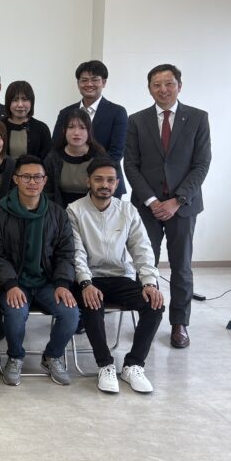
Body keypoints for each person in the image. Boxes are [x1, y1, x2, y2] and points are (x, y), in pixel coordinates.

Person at [124, 63, 211, 349]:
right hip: (147, 206)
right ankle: (147, 317)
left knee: (181, 266)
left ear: (179, 86)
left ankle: (179, 324)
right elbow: (130, 165)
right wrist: (152, 201)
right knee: (144, 263)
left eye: (169, 83)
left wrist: (177, 200)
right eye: (156, 85)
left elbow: (201, 164)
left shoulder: (197, 118)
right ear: (149, 89)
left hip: (183, 207)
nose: (163, 89)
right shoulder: (137, 121)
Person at [67, 158, 165, 394]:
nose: (105, 185)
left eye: (110, 180)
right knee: (92, 304)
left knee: (155, 304)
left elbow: (142, 249)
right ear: (88, 181)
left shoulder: (127, 210)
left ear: (117, 183)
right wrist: (86, 283)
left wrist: (149, 283)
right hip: (89, 278)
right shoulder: (74, 210)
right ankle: (105, 365)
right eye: (99, 179)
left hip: (121, 277)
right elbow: (76, 252)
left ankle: (134, 365)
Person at [0, 155, 78, 387]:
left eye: (37, 177)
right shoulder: (0, 212)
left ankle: (52, 356)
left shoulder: (57, 213)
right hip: (14, 283)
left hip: (48, 282)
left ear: (45, 180)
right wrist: (10, 284)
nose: (32, 182)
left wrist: (62, 283)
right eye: (26, 177)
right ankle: (15, 357)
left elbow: (66, 253)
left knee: (71, 313)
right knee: (16, 314)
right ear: (16, 179)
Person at [51, 60, 128, 183]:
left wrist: (93, 175)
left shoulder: (117, 112)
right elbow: (56, 146)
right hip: (68, 180)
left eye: (94, 80)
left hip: (105, 183)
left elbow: (117, 152)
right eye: (84, 80)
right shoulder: (65, 112)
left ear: (104, 82)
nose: (89, 84)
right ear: (78, 83)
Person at [43, 108, 111, 207]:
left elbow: (107, 188)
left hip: (93, 210)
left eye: (82, 128)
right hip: (59, 211)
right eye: (71, 127)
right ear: (64, 131)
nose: (76, 133)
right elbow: (47, 191)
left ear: (89, 131)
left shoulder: (100, 157)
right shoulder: (53, 157)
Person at [2, 80, 51, 159]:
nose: (20, 105)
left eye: (24, 99)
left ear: (31, 102)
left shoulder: (41, 128)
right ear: (8, 102)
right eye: (15, 100)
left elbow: (46, 159)